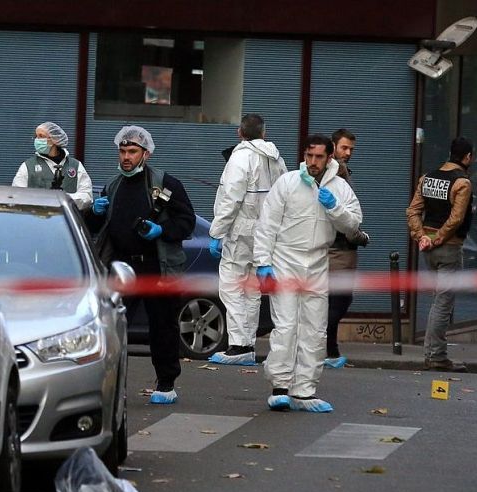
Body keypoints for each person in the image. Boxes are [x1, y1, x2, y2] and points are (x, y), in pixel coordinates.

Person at [88, 126, 196, 404]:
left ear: (146, 154)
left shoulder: (165, 183)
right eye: (122, 151)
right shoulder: (113, 185)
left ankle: (166, 383)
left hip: (156, 267)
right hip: (121, 267)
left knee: (163, 326)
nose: (126, 157)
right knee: (113, 328)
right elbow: (98, 228)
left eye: (132, 151)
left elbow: (187, 221)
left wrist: (162, 230)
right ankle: (112, 385)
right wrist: (94, 214)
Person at [254, 134, 362, 413]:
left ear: (329, 157)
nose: (313, 162)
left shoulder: (339, 188)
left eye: (319, 157)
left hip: (317, 262)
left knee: (315, 328)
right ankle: (280, 387)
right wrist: (263, 262)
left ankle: (304, 390)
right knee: (286, 326)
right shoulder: (287, 183)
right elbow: (267, 225)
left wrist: (334, 208)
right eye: (309, 156)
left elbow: (353, 225)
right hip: (285, 260)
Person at [207, 114, 287, 366]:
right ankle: (247, 344)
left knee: (231, 287)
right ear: (264, 133)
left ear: (239, 133)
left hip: (241, 232)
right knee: (252, 290)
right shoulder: (276, 159)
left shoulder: (240, 158)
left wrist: (216, 232)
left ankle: (239, 345)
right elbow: (284, 196)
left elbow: (231, 199)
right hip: (266, 233)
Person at [405, 136, 473, 373]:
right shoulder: (462, 183)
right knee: (443, 304)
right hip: (448, 248)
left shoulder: (427, 178)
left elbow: (413, 211)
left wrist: (421, 236)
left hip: (429, 249)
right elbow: (456, 219)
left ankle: (431, 354)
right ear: (468, 157)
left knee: (437, 302)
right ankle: (437, 356)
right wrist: (438, 238)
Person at [324, 129, 370, 369]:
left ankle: (331, 351)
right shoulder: (337, 173)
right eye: (344, 147)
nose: (348, 153)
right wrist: (360, 237)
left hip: (335, 248)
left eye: (351, 149)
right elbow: (345, 218)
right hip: (340, 248)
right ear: (332, 147)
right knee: (340, 300)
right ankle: (324, 346)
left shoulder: (336, 171)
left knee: (332, 301)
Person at [12, 121, 93, 211]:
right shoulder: (28, 166)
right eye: (36, 136)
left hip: (67, 218)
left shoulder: (75, 166)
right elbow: (17, 195)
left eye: (41, 136)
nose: (37, 140)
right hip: (36, 217)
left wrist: (62, 200)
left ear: (55, 139)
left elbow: (87, 196)